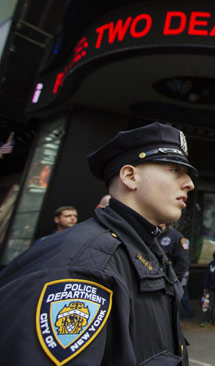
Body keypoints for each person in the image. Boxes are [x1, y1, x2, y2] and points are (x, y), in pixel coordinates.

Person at [0, 122, 197, 365]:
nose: (189, 183)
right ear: (130, 176)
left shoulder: (144, 248)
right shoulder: (82, 265)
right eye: (175, 170)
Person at [158, 222, 193, 319]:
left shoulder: (177, 237)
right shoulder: (154, 235)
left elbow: (183, 261)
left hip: (172, 277)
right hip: (157, 276)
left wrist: (173, 277)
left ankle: (187, 314)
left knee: (181, 296)